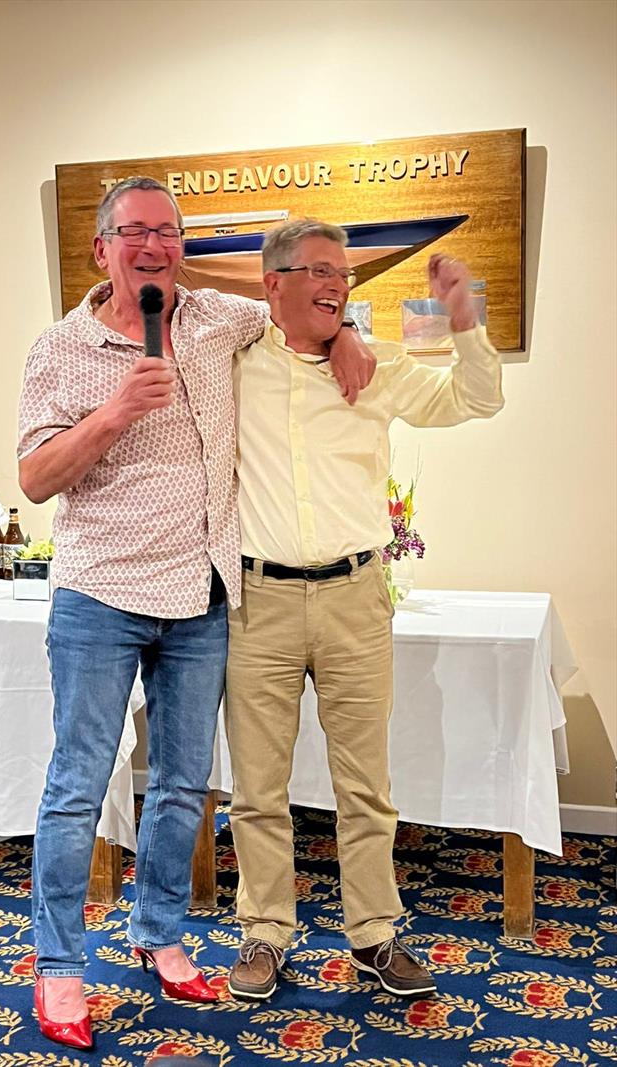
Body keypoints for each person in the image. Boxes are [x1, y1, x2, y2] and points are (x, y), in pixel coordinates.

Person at [17, 180, 374, 1049]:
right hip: (101, 594)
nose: (153, 246)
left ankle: (160, 935)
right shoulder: (61, 348)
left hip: (202, 597)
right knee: (78, 789)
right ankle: (60, 965)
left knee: (184, 787)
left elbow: (305, 302)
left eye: (168, 233)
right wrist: (112, 412)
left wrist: (353, 329)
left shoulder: (223, 319)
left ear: (182, 246)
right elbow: (32, 479)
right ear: (102, 249)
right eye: (134, 232)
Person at [225, 218, 504, 1002]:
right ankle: (265, 933)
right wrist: (334, 326)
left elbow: (477, 399)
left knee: (366, 784)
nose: (335, 282)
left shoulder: (372, 366)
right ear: (272, 283)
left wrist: (464, 318)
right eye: (315, 270)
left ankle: (375, 935)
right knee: (257, 786)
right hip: (259, 599)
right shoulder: (235, 363)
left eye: (341, 274)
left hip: (354, 596)